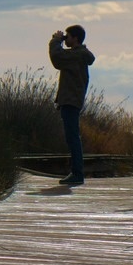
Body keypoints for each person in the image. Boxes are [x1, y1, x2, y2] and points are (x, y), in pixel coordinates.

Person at [48, 25, 95, 185]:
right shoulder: (79, 55)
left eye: (67, 36)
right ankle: (76, 172)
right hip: (72, 100)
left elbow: (57, 58)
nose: (66, 39)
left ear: (75, 38)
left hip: (70, 100)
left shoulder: (77, 55)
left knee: (73, 137)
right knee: (72, 137)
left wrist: (56, 41)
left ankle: (77, 173)